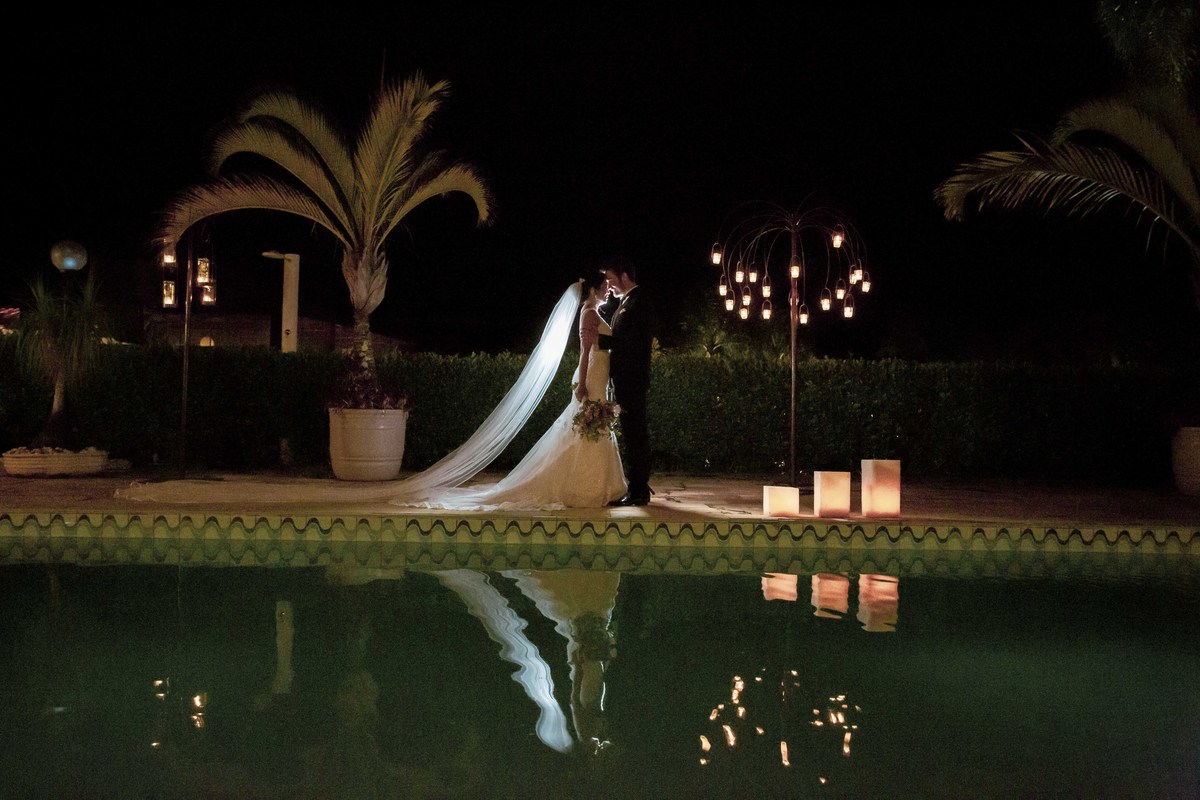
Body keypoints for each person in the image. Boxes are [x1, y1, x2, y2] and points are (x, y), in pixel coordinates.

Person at [118, 276, 626, 510]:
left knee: (582, 437)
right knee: (580, 435)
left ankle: (594, 488)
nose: (607, 289)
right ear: (589, 293)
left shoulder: (595, 312)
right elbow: (584, 353)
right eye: (603, 285)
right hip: (591, 379)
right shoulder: (588, 314)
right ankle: (585, 490)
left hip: (596, 379)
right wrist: (584, 386)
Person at [601, 256, 655, 506]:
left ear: (624, 276)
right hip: (624, 379)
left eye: (611, 279)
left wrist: (599, 341)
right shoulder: (626, 302)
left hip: (633, 379)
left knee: (636, 433)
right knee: (632, 432)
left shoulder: (640, 302)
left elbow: (634, 343)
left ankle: (639, 489)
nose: (609, 285)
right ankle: (637, 486)